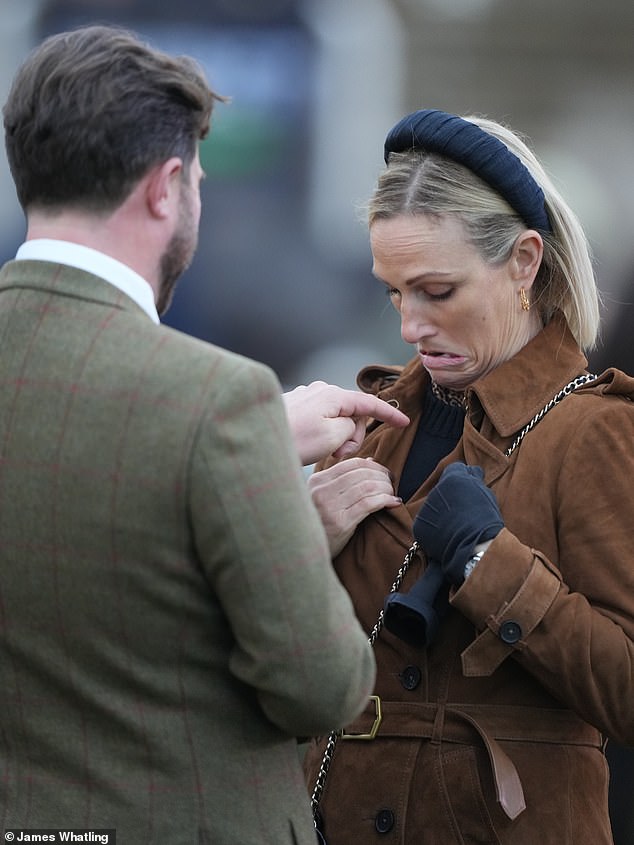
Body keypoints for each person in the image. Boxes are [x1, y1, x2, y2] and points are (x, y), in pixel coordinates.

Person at [0, 24, 411, 844]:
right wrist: (287, 508)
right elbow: (323, 687)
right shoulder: (219, 398)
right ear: (165, 188)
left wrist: (252, 442)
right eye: (199, 184)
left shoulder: (225, 414)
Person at [303, 108, 634, 845]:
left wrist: (491, 562)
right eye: (394, 292)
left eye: (437, 291)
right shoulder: (370, 423)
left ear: (524, 261)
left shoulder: (594, 429)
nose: (410, 326)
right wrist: (295, 537)